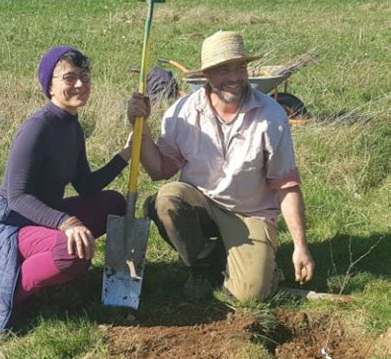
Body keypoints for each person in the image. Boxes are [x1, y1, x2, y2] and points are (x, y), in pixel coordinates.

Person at [127, 31, 315, 302]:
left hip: (251, 213)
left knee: (250, 295)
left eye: (240, 67)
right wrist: (140, 127)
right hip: (202, 204)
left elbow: (286, 186)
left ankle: (252, 266)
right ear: (206, 74)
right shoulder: (182, 113)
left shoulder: (271, 117)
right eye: (224, 69)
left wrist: (300, 246)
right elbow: (158, 171)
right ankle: (202, 265)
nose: (235, 77)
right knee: (166, 200)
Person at [0, 46, 132, 334]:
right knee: (75, 253)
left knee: (114, 204)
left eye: (84, 76)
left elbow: (86, 185)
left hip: (44, 216)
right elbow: (17, 197)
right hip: (14, 224)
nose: (79, 84)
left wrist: (124, 157)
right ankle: (13, 292)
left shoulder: (72, 126)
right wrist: (67, 223)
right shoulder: (37, 128)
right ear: (50, 86)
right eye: (69, 77)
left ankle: (54, 264)